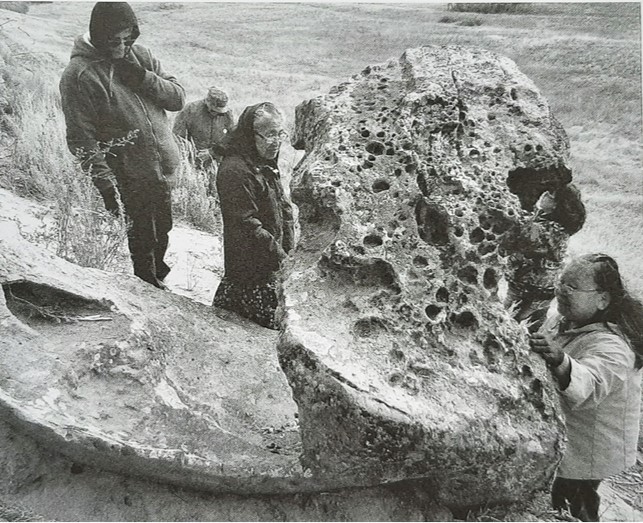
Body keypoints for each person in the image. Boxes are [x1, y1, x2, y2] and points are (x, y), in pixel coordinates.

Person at [59, 1, 185, 289]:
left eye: (127, 39)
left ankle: (157, 278)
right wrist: (106, 185)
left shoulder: (140, 55)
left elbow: (177, 99)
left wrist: (143, 78)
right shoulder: (79, 75)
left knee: (163, 228)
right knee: (142, 236)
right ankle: (147, 287)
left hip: (162, 167)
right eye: (113, 41)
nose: (121, 48)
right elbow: (81, 138)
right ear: (99, 36)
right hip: (128, 174)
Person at [530, 253, 643, 521]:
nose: (562, 290)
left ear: (602, 299)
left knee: (575, 503)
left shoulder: (613, 346)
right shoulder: (567, 320)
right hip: (573, 437)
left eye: (573, 287)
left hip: (591, 448)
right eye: (562, 282)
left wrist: (560, 360)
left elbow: (591, 383)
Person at [212, 102, 295, 329]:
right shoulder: (234, 170)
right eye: (269, 135)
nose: (276, 141)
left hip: (269, 265)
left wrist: (289, 250)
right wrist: (281, 258)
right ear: (251, 134)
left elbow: (282, 209)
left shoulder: (264, 163)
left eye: (280, 134)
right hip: (249, 274)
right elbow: (246, 224)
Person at [173, 87, 235, 194]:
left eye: (220, 112)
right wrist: (191, 157)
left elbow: (231, 139)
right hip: (192, 164)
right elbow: (178, 139)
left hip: (217, 163)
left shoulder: (227, 114)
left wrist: (212, 153)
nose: (217, 114)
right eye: (215, 111)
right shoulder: (190, 110)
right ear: (208, 104)